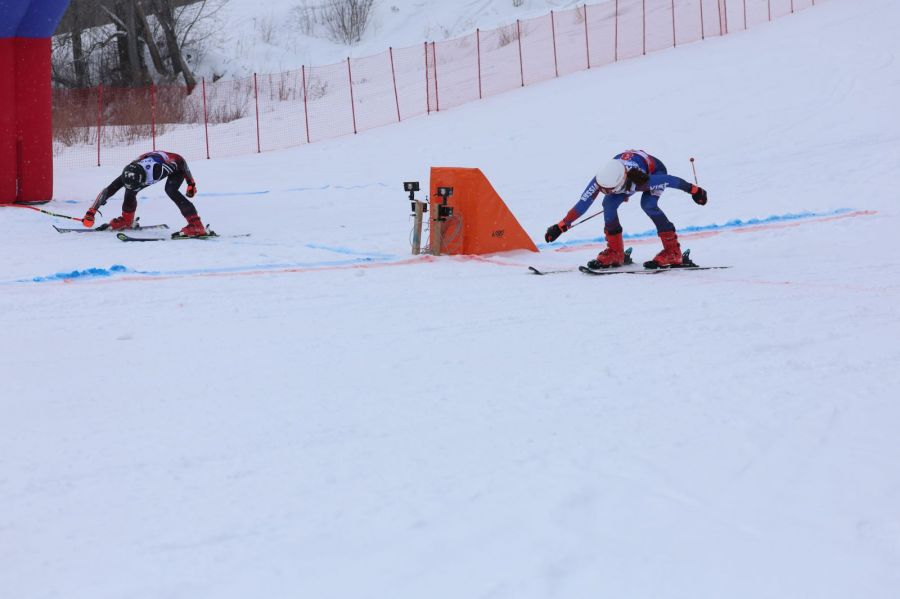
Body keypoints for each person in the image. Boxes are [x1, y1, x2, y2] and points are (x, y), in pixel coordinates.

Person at [545, 149, 708, 268]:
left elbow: (672, 181)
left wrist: (695, 191)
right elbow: (583, 203)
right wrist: (561, 226)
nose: (603, 192)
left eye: (608, 190)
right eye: (602, 189)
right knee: (608, 204)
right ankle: (616, 252)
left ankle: (673, 252)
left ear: (620, 184)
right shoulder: (602, 179)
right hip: (624, 175)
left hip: (652, 170)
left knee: (648, 205)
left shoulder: (643, 180)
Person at [82, 150, 206, 236]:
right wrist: (91, 212)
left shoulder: (158, 170)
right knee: (130, 192)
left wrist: (191, 183)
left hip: (175, 166)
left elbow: (180, 162)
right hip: (145, 164)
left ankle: (196, 225)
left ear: (143, 179)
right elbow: (108, 190)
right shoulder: (129, 172)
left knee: (171, 190)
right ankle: (127, 220)